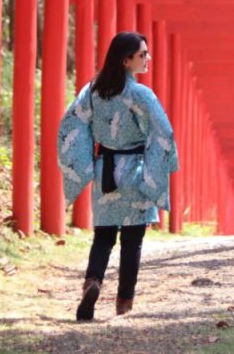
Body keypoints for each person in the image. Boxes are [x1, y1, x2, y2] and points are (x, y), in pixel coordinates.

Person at [57, 31, 178, 322]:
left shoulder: (93, 91)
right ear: (126, 60)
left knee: (104, 237)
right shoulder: (141, 94)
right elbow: (164, 132)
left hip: (105, 171)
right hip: (135, 170)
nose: (148, 58)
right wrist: (159, 166)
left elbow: (72, 126)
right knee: (132, 241)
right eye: (143, 54)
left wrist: (83, 165)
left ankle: (93, 281)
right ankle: (124, 302)